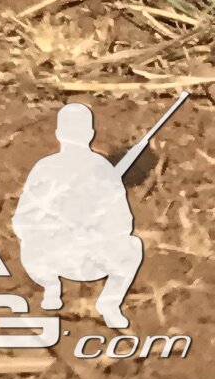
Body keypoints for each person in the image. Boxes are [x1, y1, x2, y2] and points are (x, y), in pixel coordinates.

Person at [14, 102, 147, 328]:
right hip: (67, 255)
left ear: (59, 134)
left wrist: (92, 225)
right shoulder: (60, 169)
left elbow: (22, 220)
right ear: (90, 134)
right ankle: (60, 289)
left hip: (80, 255)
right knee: (133, 247)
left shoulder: (87, 169)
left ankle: (74, 294)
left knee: (131, 245)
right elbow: (124, 223)